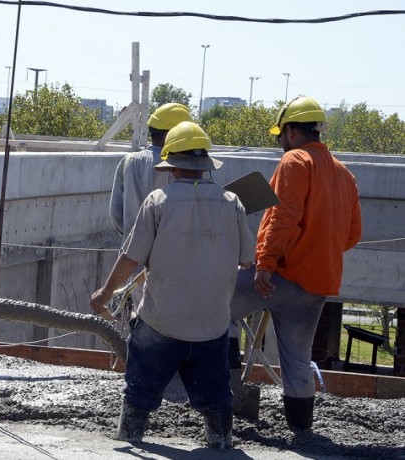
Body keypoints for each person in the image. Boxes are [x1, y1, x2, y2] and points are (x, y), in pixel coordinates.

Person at [91, 121, 255, 448]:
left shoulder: (158, 201)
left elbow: (131, 257)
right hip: (212, 326)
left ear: (170, 166)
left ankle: (130, 439)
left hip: (160, 323)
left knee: (140, 390)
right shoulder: (232, 203)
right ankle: (221, 444)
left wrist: (106, 293)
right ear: (205, 164)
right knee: (216, 395)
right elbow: (248, 260)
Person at [229, 96, 361, 430]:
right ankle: (301, 431)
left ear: (290, 131)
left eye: (281, 136)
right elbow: (352, 234)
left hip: (278, 277)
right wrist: (315, 253)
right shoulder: (344, 174)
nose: (280, 144)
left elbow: (283, 218)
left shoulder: (294, 161)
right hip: (316, 285)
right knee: (298, 359)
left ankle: (226, 399)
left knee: (215, 308)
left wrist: (266, 263)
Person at [108, 103, 192, 307]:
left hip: (129, 263)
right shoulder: (178, 168)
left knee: (134, 319)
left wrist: (132, 235)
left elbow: (115, 214)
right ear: (172, 134)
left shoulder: (128, 161)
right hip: (167, 265)